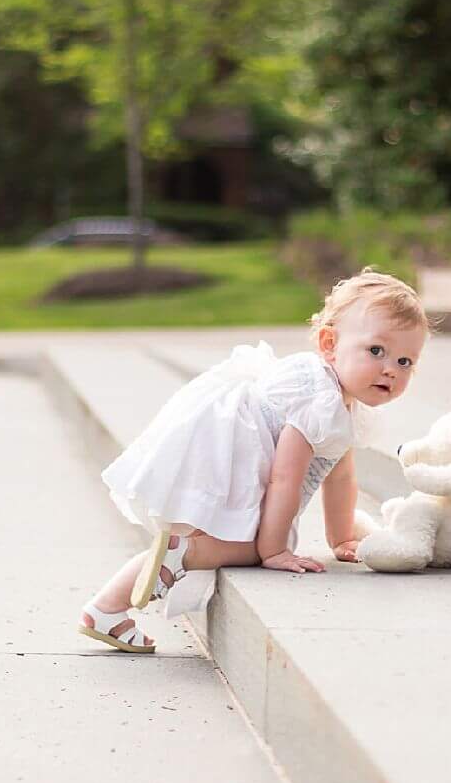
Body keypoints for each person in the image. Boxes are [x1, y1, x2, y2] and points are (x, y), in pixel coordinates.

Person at [78, 270, 428, 654]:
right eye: (376, 351)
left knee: (247, 540)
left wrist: (341, 536)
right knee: (247, 547)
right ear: (330, 344)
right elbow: (284, 477)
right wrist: (275, 549)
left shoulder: (338, 404)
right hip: (238, 454)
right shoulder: (321, 400)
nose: (390, 369)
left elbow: (340, 476)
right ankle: (182, 554)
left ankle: (106, 609)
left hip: (239, 448)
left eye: (405, 360)